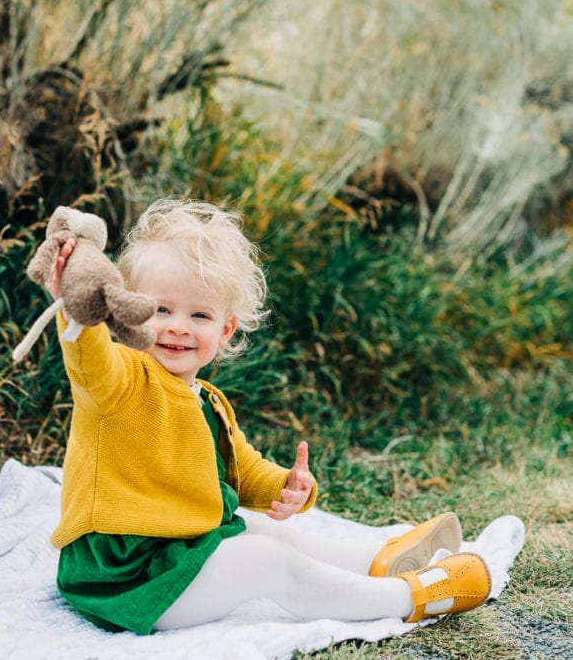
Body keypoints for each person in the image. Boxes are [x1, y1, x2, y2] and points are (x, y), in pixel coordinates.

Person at [45, 197, 491, 635]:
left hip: (178, 549)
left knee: (261, 529)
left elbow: (240, 470)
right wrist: (76, 307)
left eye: (199, 314)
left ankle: (374, 562)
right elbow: (89, 357)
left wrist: (284, 486)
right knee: (266, 562)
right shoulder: (120, 381)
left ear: (225, 329)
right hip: (125, 575)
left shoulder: (208, 401)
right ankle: (408, 598)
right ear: (127, 309)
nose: (179, 326)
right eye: (161, 309)